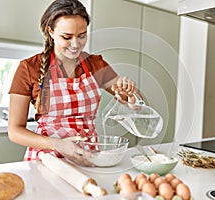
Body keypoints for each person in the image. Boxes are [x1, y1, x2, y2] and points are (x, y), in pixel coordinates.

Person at [8, 0, 137, 166]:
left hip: (87, 156)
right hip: (47, 160)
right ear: (51, 32)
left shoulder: (96, 64)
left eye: (82, 35)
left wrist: (130, 92)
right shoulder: (29, 68)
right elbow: (15, 131)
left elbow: (130, 100)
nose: (76, 44)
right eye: (66, 37)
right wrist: (57, 144)